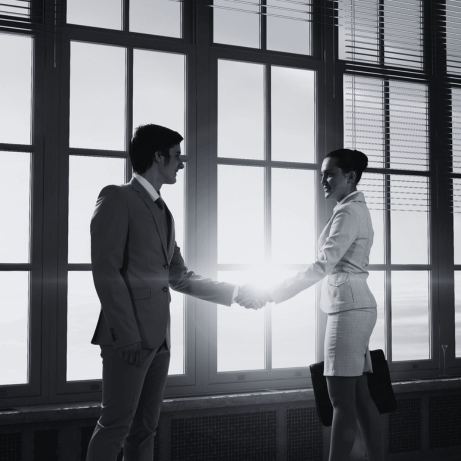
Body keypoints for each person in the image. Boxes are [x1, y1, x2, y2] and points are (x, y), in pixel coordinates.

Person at [86, 124, 261, 461]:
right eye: (177, 156)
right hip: (128, 340)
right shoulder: (116, 197)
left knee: (144, 430)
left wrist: (237, 291)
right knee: (115, 427)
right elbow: (106, 273)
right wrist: (126, 335)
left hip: (159, 341)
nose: (181, 164)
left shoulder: (163, 212)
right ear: (158, 156)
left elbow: (179, 276)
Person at [237, 149, 384, 461]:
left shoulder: (348, 213)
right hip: (356, 306)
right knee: (358, 397)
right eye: (322, 174)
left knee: (341, 400)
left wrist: (271, 292)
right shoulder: (354, 208)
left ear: (351, 177)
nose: (323, 180)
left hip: (349, 309)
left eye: (330, 173)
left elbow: (322, 266)